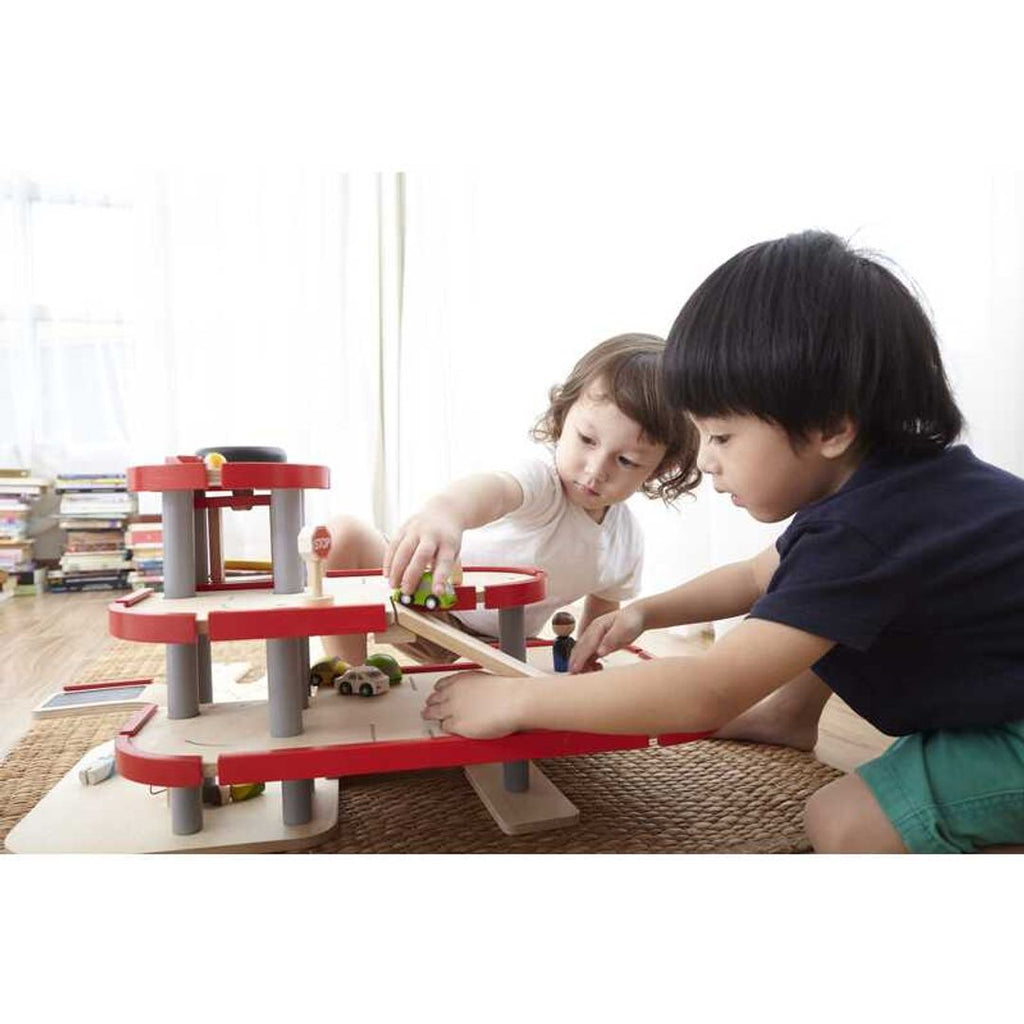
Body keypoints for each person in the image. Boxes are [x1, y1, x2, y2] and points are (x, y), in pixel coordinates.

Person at [423, 230, 1024, 854]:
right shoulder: (893, 494)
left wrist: (523, 699)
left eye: (722, 437)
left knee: (843, 826)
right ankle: (787, 716)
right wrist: (645, 611)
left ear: (829, 428)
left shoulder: (863, 534)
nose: (706, 461)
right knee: (805, 599)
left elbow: (706, 691)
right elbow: (755, 577)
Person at [322, 333, 700, 667]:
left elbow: (601, 616)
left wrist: (583, 670)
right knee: (343, 534)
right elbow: (495, 491)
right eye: (587, 440)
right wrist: (446, 512)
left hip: (506, 647)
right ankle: (348, 672)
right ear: (563, 416)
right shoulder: (543, 481)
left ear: (658, 469)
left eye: (626, 461)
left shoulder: (626, 541)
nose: (595, 469)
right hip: (420, 600)